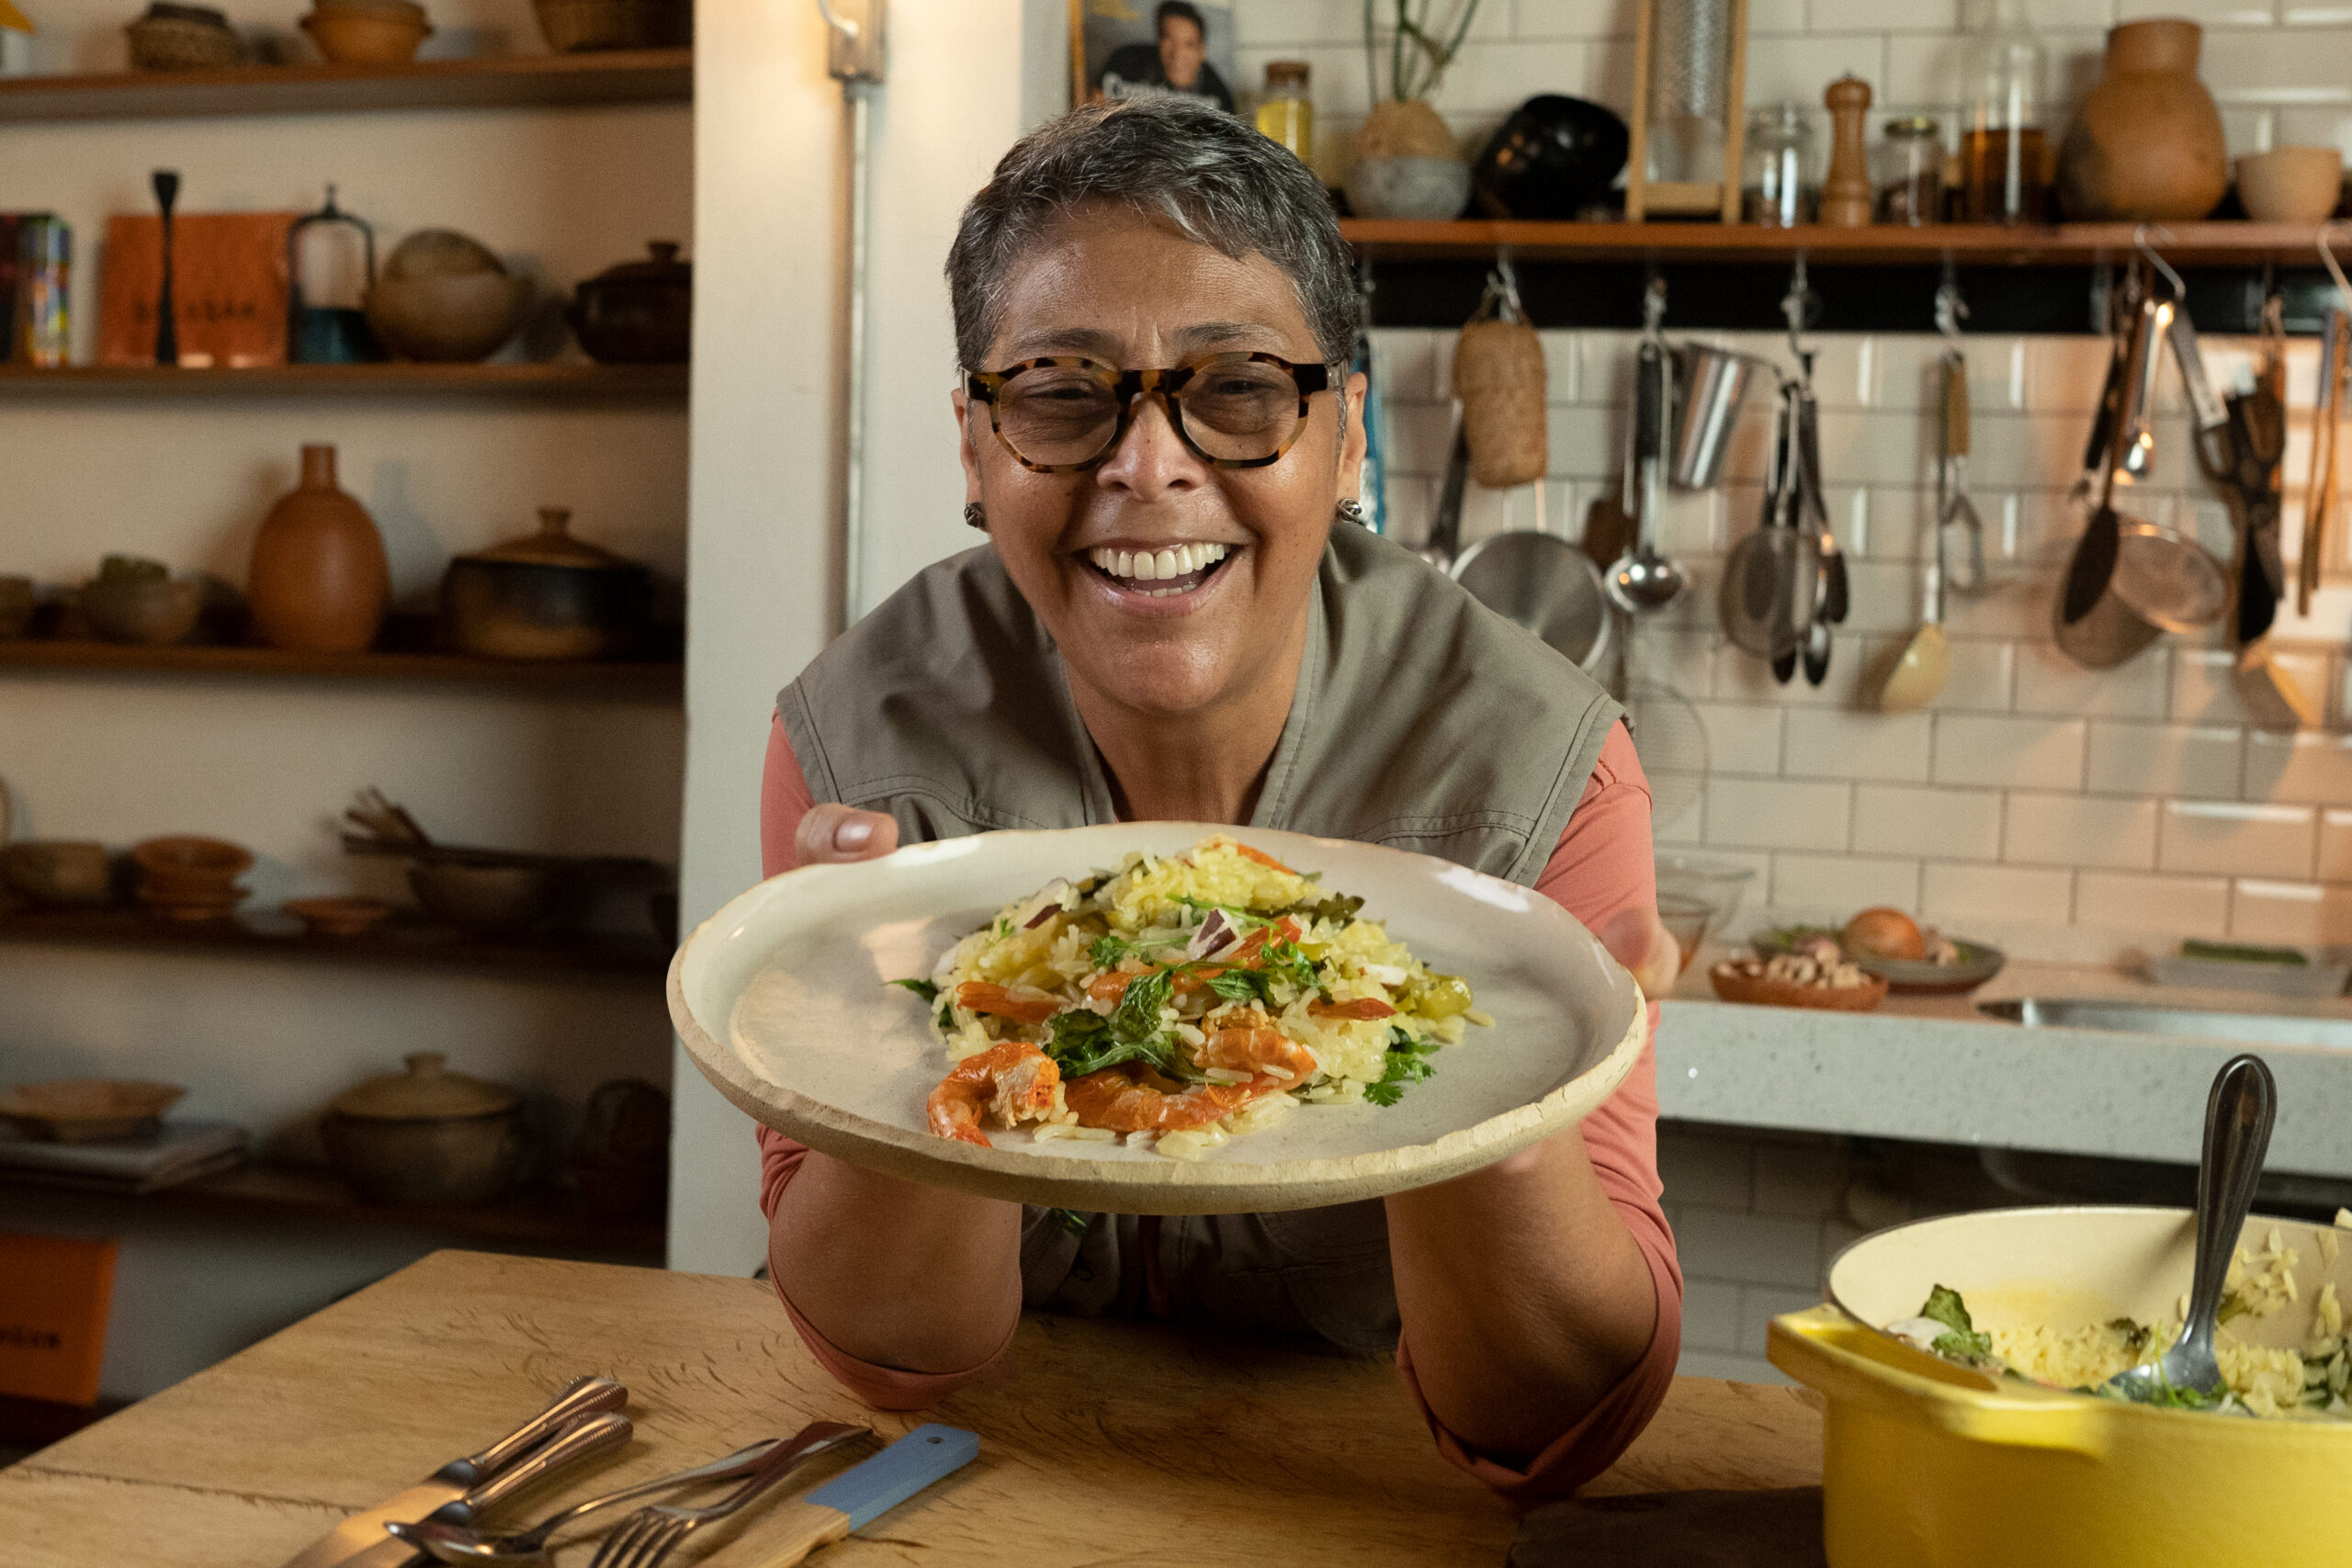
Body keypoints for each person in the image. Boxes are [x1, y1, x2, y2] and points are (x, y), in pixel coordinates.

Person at [756, 96, 1682, 1503]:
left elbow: (1551, 1423)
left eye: (1239, 387)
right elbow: (894, 1357)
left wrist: (1519, 1103)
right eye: (1063, 395)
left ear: (1346, 432)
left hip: (1362, 1513)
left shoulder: (1538, 766)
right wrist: (906, 1027)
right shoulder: (858, 747)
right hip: (963, 1494)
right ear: (973, 445)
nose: (1149, 464)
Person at [1097, 0, 1233, 114]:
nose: (1177, 54)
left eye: (1189, 44)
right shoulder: (1125, 62)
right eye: (1169, 40)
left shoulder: (1217, 93)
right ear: (1159, 41)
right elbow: (1094, 115)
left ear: (1202, 51)